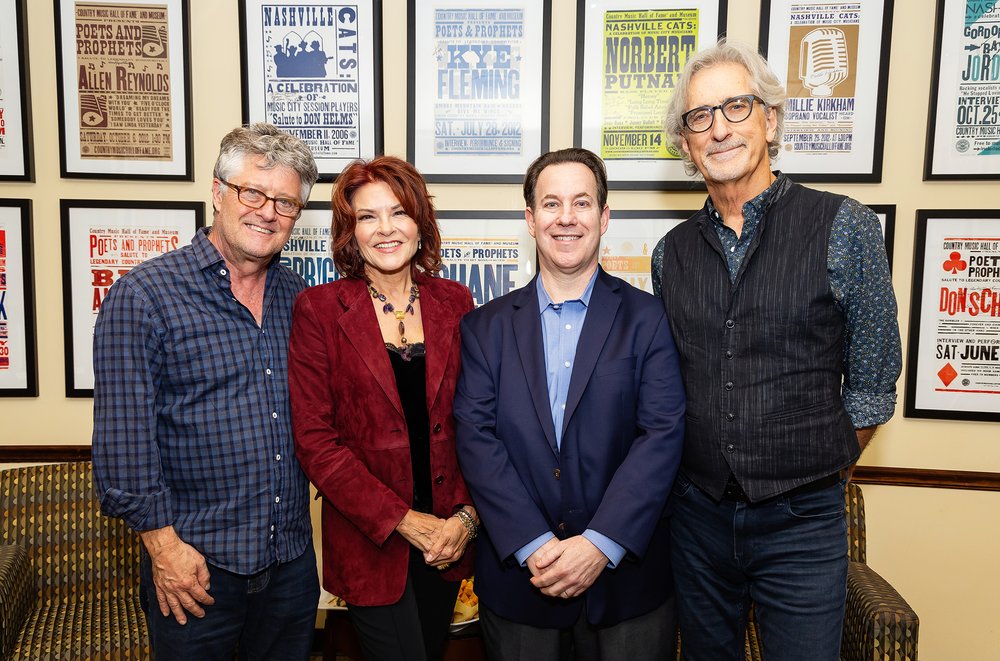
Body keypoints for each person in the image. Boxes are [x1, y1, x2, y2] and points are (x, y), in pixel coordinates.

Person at [651, 40, 902, 660]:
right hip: (697, 520)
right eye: (699, 117)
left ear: (770, 119)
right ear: (686, 144)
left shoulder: (844, 226)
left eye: (736, 107)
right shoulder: (670, 253)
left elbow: (872, 387)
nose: (719, 129)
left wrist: (810, 468)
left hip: (803, 525)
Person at [92, 123, 320, 659]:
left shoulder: (301, 300)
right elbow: (124, 446)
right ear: (217, 193)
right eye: (252, 193)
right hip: (194, 569)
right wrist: (163, 548)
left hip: (290, 563)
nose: (267, 211)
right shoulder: (144, 296)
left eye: (285, 202)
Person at [454, 148, 686, 661]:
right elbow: (475, 437)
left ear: (604, 217)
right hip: (520, 584)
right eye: (551, 203)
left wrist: (599, 544)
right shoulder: (484, 328)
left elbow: (662, 435)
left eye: (581, 203)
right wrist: (533, 544)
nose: (566, 217)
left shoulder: (648, 319)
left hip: (628, 587)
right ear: (530, 219)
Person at [288, 156, 478, 661]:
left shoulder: (456, 302)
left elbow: (481, 422)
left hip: (447, 541)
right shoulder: (320, 310)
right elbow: (314, 441)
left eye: (399, 212)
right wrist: (404, 520)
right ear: (350, 233)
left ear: (421, 222)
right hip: (373, 542)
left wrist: (466, 517)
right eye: (367, 217)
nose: (386, 229)